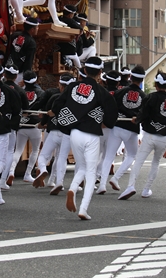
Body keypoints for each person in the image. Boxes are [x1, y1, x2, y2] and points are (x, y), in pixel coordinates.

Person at [50, 56, 117, 220]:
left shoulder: (72, 87)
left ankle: (73, 188)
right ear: (100, 72)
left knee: (82, 167)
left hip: (74, 133)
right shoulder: (103, 92)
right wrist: (103, 122)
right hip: (92, 134)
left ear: (84, 70)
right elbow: (111, 117)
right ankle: (83, 208)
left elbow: (57, 105)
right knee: (91, 172)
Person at [119, 72, 166, 201]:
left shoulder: (151, 97)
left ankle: (130, 186)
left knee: (139, 161)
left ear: (156, 84)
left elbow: (143, 113)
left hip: (150, 134)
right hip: (165, 136)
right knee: (156, 162)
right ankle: (146, 189)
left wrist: (136, 120)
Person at [104, 65, 146, 192]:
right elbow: (144, 114)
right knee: (132, 155)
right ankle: (116, 178)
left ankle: (101, 185)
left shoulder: (120, 92)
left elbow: (111, 107)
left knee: (109, 156)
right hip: (132, 128)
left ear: (131, 77)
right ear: (142, 80)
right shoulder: (144, 96)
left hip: (117, 126)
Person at [33, 74, 74, 195]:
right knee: (61, 157)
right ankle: (58, 182)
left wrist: (42, 123)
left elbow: (48, 113)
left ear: (60, 85)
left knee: (43, 155)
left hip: (53, 130)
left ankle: (43, 170)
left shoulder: (55, 97)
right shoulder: (75, 100)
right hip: (67, 132)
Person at [0, 63, 21, 204]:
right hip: (3, 129)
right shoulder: (10, 91)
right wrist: (11, 125)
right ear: (2, 75)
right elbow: (17, 110)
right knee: (0, 162)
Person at [8, 71, 44, 183]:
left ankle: (11, 172)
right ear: (36, 79)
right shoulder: (41, 92)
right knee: (35, 150)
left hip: (22, 124)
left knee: (18, 150)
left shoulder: (20, 91)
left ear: (23, 80)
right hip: (34, 125)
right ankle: (27, 174)